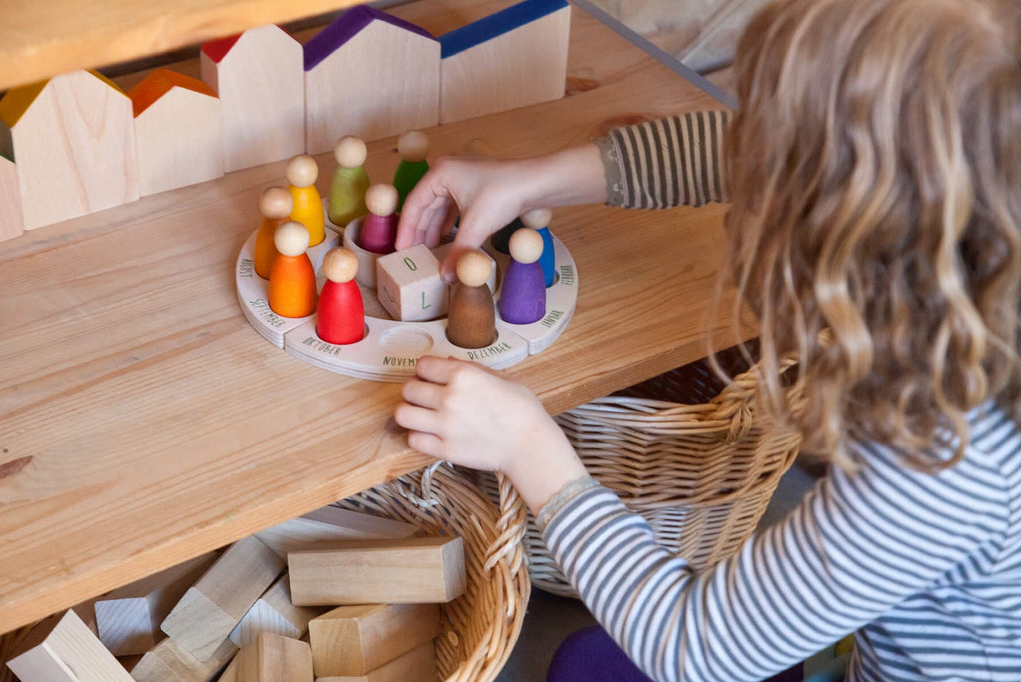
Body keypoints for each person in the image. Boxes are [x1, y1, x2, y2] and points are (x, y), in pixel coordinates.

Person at [393, 0, 1021, 679]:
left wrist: (529, 449)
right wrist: (537, 178)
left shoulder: (940, 462)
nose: (754, 158)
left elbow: (698, 650)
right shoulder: (982, 232)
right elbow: (741, 149)